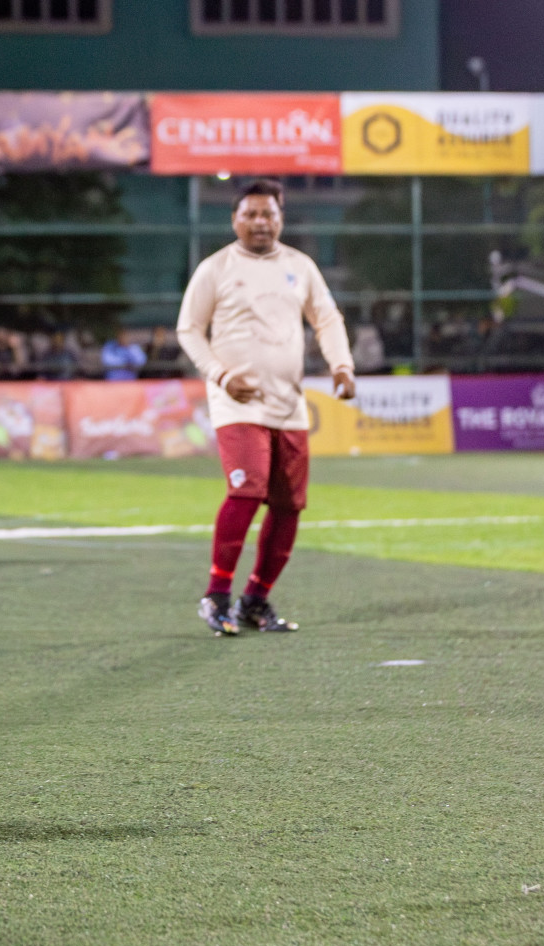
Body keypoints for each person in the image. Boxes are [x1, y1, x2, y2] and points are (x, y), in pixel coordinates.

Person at [176, 178, 356, 637]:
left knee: (289, 506)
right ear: (234, 219)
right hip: (237, 402)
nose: (260, 222)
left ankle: (255, 600)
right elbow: (189, 330)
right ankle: (216, 595)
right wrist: (221, 375)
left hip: (289, 403)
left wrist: (341, 365)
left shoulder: (300, 266)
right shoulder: (215, 268)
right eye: (251, 214)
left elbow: (327, 318)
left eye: (269, 214)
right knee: (247, 491)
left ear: (281, 219)